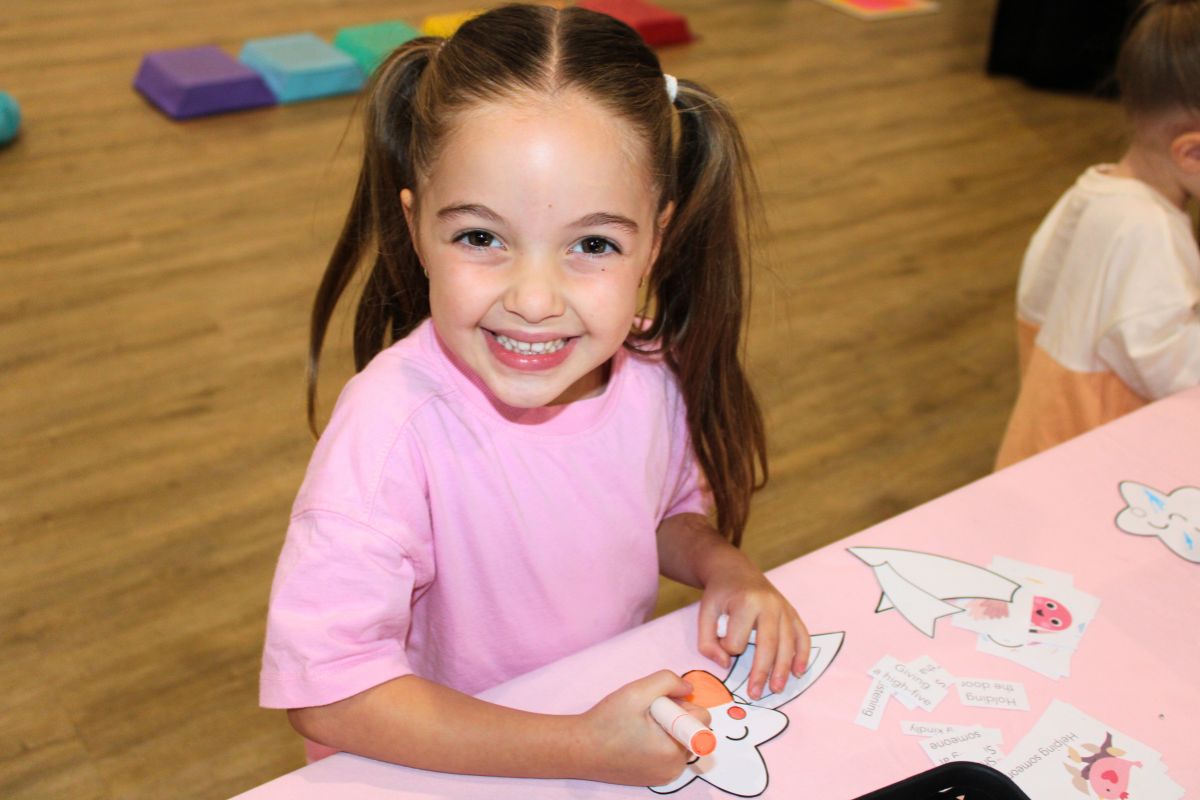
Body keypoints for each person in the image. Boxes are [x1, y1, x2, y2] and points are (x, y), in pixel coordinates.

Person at [259, 3, 811, 787]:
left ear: (657, 238)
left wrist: (726, 567)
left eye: (593, 244)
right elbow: (330, 696)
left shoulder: (651, 365)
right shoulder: (389, 431)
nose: (535, 299)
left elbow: (661, 514)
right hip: (441, 768)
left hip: (591, 740)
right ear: (417, 228)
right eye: (481, 237)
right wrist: (579, 746)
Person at [995, 0, 1200, 469]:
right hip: (1090, 455)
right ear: (1192, 153)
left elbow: (1035, 295)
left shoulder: (1093, 192)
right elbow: (1174, 371)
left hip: (1041, 432)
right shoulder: (1151, 232)